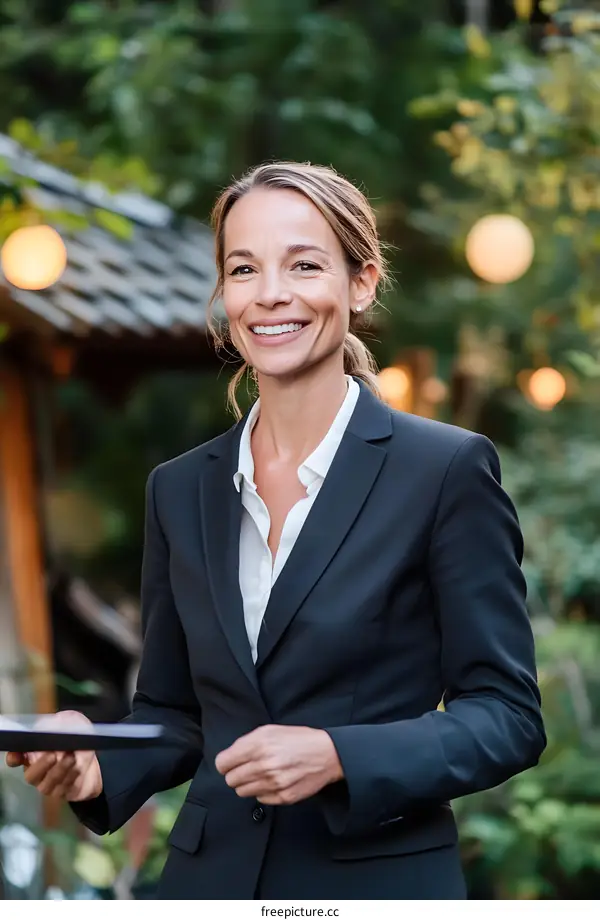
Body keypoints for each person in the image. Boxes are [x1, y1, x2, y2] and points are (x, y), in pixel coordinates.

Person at [5, 162, 546, 900]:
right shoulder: (180, 488)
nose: (270, 294)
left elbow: (508, 718)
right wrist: (100, 760)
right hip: (207, 885)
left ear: (361, 283)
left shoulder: (445, 470)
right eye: (243, 268)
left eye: (304, 264)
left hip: (375, 888)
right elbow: (177, 712)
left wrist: (338, 755)